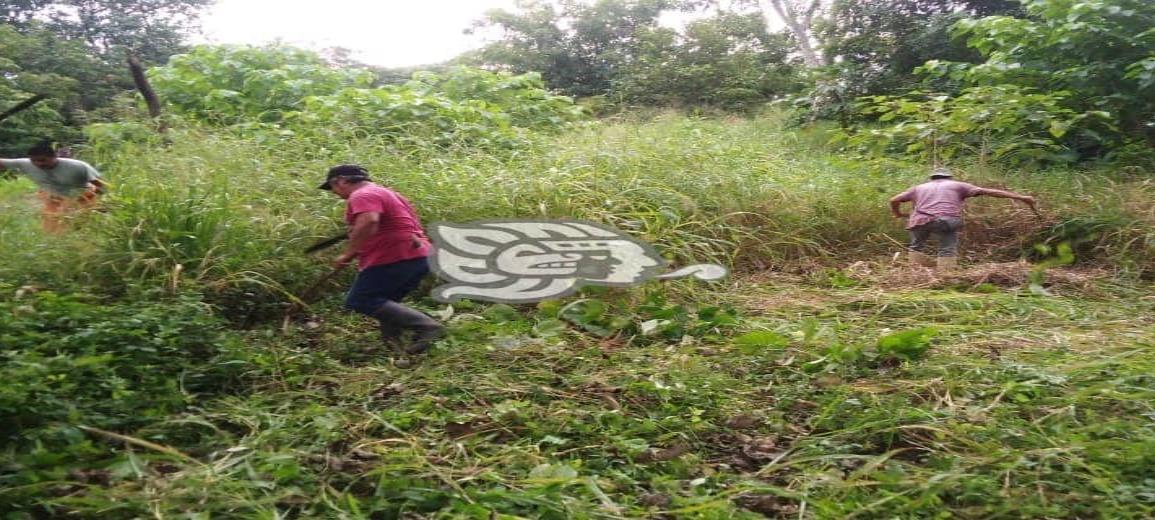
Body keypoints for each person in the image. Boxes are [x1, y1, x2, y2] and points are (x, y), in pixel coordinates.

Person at [319, 164, 445, 355]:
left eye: (333, 187)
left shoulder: (362, 195)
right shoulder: (386, 193)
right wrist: (353, 251)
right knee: (385, 301)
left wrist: (347, 253)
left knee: (360, 300)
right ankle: (392, 345)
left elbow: (370, 221)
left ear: (341, 181)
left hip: (395, 255)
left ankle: (428, 326)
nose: (335, 193)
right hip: (416, 254)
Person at [890, 167, 1037, 271]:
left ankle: (916, 274)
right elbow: (989, 191)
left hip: (919, 220)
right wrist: (1020, 197)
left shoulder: (918, 187)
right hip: (945, 220)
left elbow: (894, 200)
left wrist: (897, 213)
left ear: (932, 178)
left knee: (916, 246)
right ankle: (944, 275)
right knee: (947, 246)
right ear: (949, 177)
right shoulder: (958, 185)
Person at [0, 143, 107, 233]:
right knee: (53, 230)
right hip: (54, 199)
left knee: (83, 229)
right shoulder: (25, 164)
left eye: (43, 160)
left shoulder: (78, 166)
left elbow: (101, 185)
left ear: (54, 156)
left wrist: (103, 202)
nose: (38, 164)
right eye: (34, 161)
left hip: (83, 198)